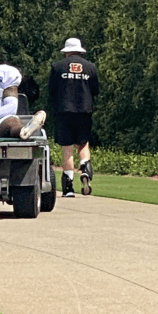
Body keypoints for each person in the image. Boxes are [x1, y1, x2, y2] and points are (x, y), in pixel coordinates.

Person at [48, 37, 100, 197]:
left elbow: (51, 90)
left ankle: (68, 187)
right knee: (83, 144)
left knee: (67, 148)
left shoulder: (57, 67)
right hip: (84, 110)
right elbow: (96, 89)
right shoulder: (90, 67)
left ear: (66, 52)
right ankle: (84, 167)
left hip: (64, 111)